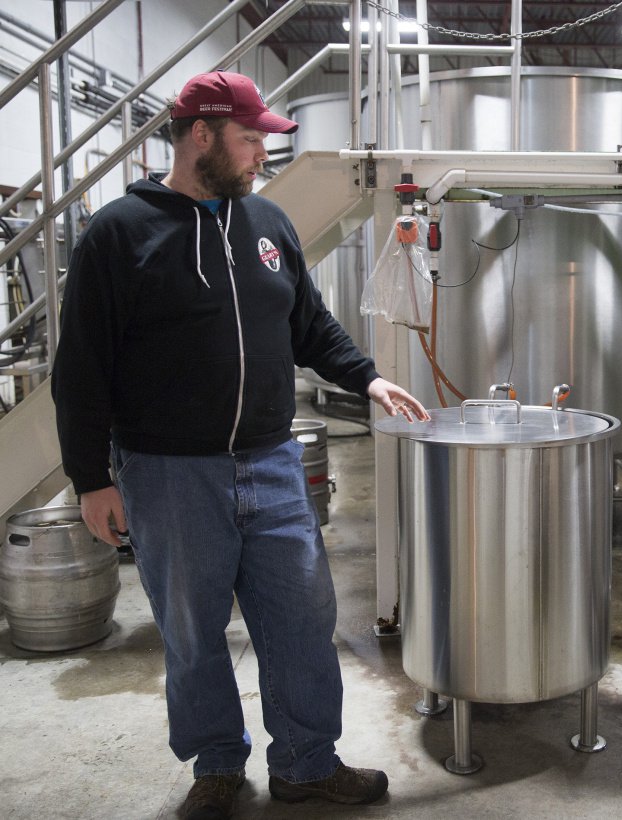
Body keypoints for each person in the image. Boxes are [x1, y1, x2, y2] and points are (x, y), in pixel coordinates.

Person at [51, 70, 429, 819]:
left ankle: (306, 761)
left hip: (272, 461)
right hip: (167, 473)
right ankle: (217, 766)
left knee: (300, 622)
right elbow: (81, 369)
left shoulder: (267, 223)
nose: (262, 154)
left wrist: (370, 378)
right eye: (251, 138)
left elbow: (308, 324)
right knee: (193, 632)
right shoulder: (120, 234)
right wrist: (90, 477)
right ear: (201, 135)